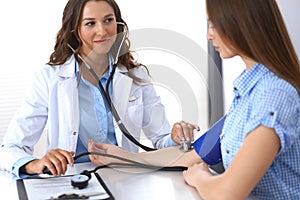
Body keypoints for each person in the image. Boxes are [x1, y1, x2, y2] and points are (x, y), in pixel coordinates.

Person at [88, 0, 300, 199]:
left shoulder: (273, 96)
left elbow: (227, 193)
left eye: (215, 25)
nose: (209, 35)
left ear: (241, 24)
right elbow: (192, 154)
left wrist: (200, 177)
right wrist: (125, 157)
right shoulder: (248, 91)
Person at [0, 0, 198, 177]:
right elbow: (11, 147)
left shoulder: (136, 77)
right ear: (74, 30)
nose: (102, 31)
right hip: (72, 181)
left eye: (108, 20)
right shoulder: (50, 79)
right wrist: (34, 164)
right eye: (90, 23)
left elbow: (161, 139)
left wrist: (175, 136)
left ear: (118, 25)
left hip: (126, 178)